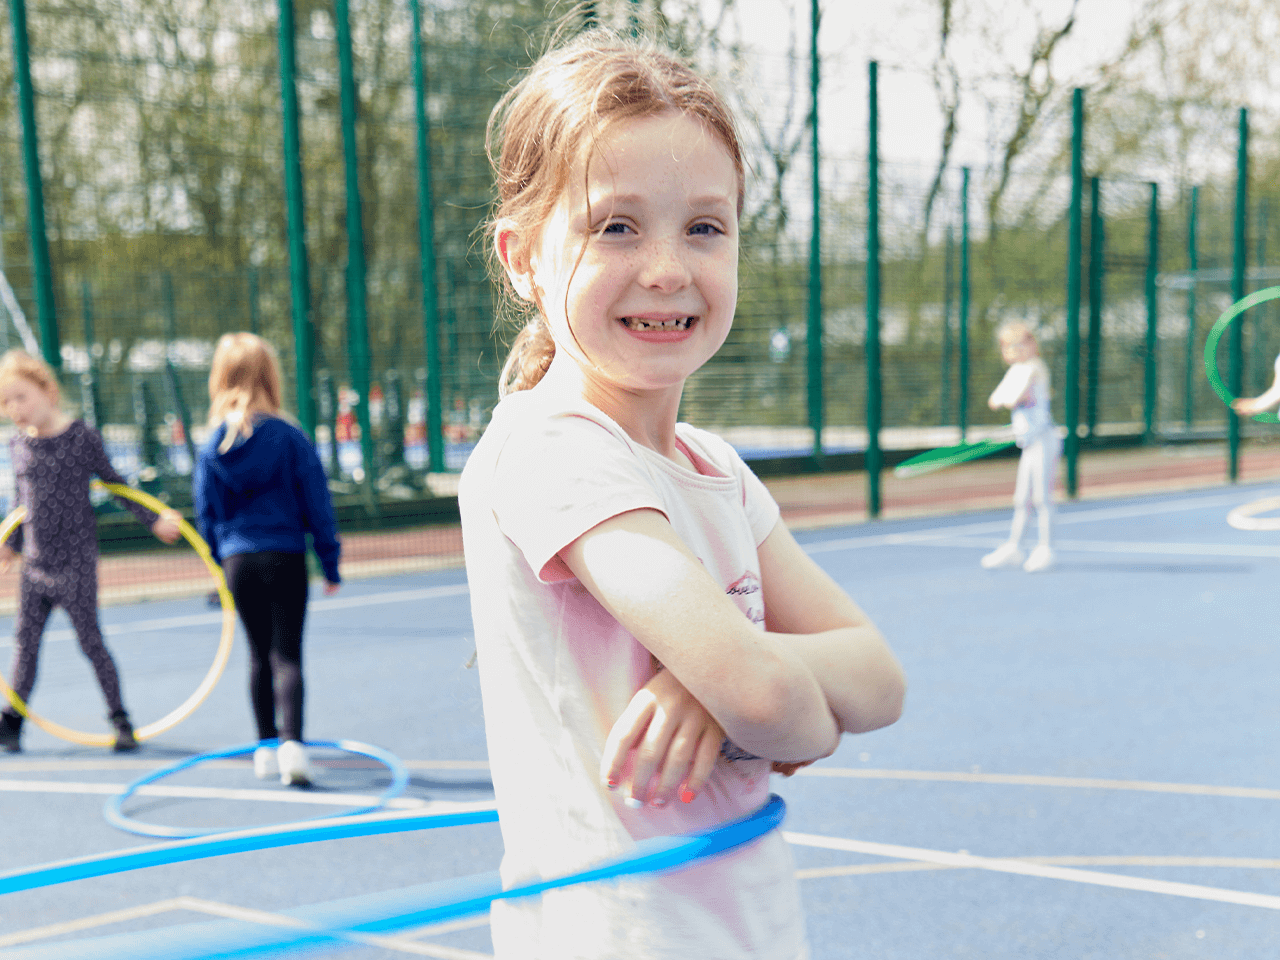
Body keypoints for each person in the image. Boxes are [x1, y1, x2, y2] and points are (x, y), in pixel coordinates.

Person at [458, 28, 906, 960]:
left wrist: (732, 692)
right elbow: (774, 699)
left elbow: (879, 678)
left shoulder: (714, 469)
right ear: (521, 257)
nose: (667, 267)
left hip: (743, 924)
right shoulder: (554, 450)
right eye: (615, 225)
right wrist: (750, 690)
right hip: (619, 937)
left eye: (705, 226)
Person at [0, 349, 183, 753]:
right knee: (25, 644)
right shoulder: (17, 445)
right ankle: (11, 720)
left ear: (48, 392)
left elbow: (117, 484)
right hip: (35, 565)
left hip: (75, 563)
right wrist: (9, 548)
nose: (14, 408)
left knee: (90, 641)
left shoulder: (81, 437)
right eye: (6, 402)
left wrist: (154, 520)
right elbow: (20, 503)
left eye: (21, 397)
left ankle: (120, 719)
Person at [193, 333, 341, 787]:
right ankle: (293, 744)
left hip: (240, 560)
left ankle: (264, 748)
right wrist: (329, 562)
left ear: (220, 378)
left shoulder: (213, 443)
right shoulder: (289, 436)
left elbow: (206, 512)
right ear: (270, 377)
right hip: (285, 555)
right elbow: (317, 503)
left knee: (257, 656)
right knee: (287, 655)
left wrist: (220, 563)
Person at [981, 322, 1061, 573]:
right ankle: (1014, 547)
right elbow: (995, 399)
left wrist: (1008, 399)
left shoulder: (1034, 367)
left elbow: (1016, 396)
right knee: (1021, 498)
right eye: (1009, 347)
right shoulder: (1015, 370)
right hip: (1028, 443)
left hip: (1044, 439)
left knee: (1041, 498)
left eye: (1020, 345)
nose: (1015, 351)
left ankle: (1045, 549)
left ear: (1032, 345)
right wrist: (1004, 399)